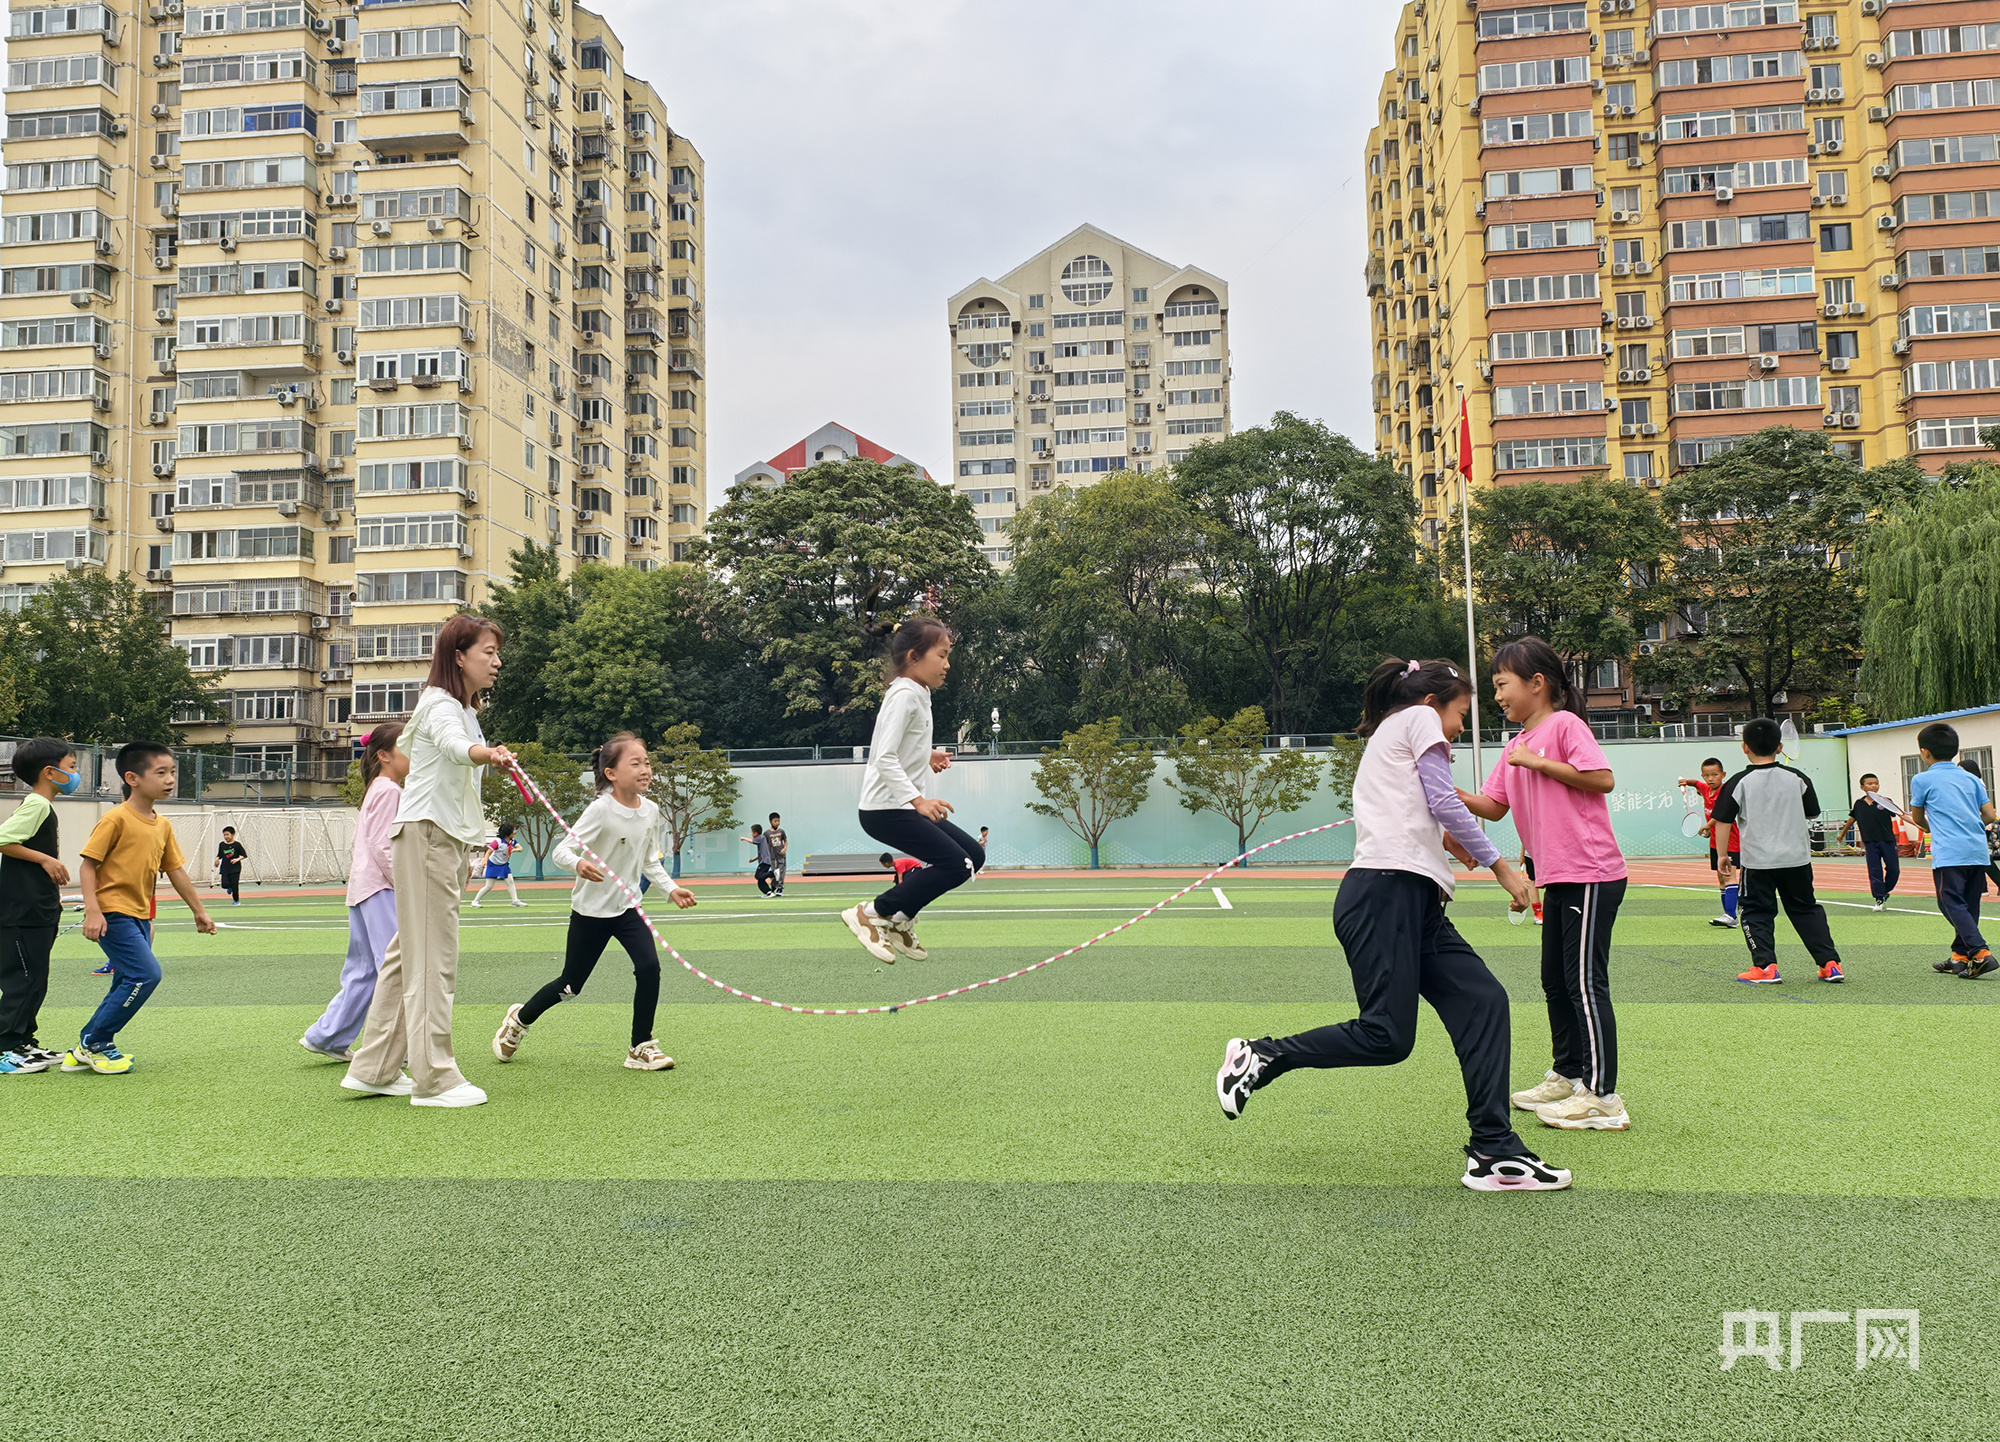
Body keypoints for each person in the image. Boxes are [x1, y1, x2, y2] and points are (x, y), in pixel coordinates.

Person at [1214, 657, 1570, 1192]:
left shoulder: (1394, 730)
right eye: (1461, 714)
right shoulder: (1418, 719)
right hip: (1385, 894)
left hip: (1412, 899)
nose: (1459, 728)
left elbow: (1422, 802)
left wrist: (1447, 840)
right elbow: (1442, 796)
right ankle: (1262, 1055)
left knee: (1483, 1000)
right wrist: (1502, 867)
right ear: (1434, 703)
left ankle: (1494, 1152)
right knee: (1386, 1035)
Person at [342, 615, 514, 1107]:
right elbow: (451, 744)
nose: (497, 661)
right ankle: (434, 1078)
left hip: (441, 840)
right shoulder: (440, 704)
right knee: (431, 961)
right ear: (458, 656)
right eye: (488, 652)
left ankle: (373, 1068)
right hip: (428, 838)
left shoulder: (463, 709)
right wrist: (485, 753)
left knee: (404, 957)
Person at [1460, 637, 1630, 1132]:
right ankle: (1567, 1074)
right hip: (1556, 878)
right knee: (1555, 980)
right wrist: (1441, 792)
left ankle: (1602, 1096)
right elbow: (1493, 806)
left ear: (1537, 683)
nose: (1496, 696)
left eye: (1501, 685)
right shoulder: (1514, 745)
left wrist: (1539, 763)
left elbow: (1601, 778)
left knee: (1583, 982)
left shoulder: (1564, 726)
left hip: (1591, 873)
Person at [492, 732, 695, 1071]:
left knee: (649, 969)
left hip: (628, 908)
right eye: (636, 763)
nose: (645, 769)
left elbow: (649, 860)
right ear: (611, 773)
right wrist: (579, 864)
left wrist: (670, 888)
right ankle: (519, 1020)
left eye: (647, 762)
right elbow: (561, 850)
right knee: (570, 985)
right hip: (591, 912)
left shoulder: (651, 811)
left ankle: (640, 1046)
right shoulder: (600, 810)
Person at [67, 742, 218, 1074]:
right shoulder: (116, 819)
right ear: (132, 778)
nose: (170, 780)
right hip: (112, 912)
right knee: (145, 974)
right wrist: (93, 911)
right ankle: (97, 1042)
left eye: (173, 772)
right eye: (160, 773)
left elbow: (175, 870)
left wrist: (199, 910)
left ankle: (85, 1044)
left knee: (125, 978)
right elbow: (88, 866)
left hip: (139, 914)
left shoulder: (161, 825)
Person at [840, 616, 983, 965]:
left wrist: (926, 753)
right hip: (885, 811)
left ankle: (900, 919)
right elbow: (883, 756)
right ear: (915, 657)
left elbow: (902, 745)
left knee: (972, 858)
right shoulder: (904, 694)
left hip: (898, 808)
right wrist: (918, 800)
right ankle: (871, 912)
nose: (947, 665)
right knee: (956, 863)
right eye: (942, 655)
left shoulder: (918, 692)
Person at [1710, 718, 1845, 985]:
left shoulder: (1738, 782)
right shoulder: (1797, 778)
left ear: (1744, 747)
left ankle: (1765, 967)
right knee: (1806, 909)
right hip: (1797, 859)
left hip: (1758, 863)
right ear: (1780, 746)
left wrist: (1724, 855)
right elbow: (1812, 812)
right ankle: (1830, 964)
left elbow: (1723, 821)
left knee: (1756, 912)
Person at [300, 725, 407, 1062]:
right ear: (384, 754)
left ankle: (327, 1036)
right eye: (407, 748)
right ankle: (396, 1048)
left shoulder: (378, 787)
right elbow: (383, 844)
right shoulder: (389, 790)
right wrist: (405, 882)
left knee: (365, 970)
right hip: (381, 888)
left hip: (365, 887)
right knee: (395, 968)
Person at [0, 739, 81, 1075]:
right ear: (51, 772)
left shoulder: (43, 806)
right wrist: (46, 859)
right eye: (72, 767)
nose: (76, 775)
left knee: (36, 979)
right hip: (22, 913)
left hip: (37, 911)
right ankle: (6, 1048)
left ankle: (23, 1042)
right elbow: (3, 839)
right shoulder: (37, 805)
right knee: (24, 979)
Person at [1908, 723, 1999, 978]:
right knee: (1969, 904)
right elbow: (1990, 814)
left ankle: (1980, 953)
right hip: (1977, 849)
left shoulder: (1922, 779)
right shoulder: (1971, 778)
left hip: (1950, 851)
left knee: (1949, 901)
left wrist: (1932, 827)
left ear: (1925, 752)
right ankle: (1959, 957)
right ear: (1956, 751)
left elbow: (1918, 817)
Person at [1677, 757, 1739, 928]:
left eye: (1715, 775)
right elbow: (1696, 783)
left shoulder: (1725, 792)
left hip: (1730, 841)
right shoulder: (1705, 789)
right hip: (1714, 842)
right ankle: (1729, 912)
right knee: (1720, 879)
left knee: (1729, 876)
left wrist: (1707, 826)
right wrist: (1684, 782)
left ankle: (1731, 915)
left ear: (1723, 774)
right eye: (1707, 775)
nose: (1711, 779)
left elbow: (1720, 815)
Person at [1838, 773, 1903, 911]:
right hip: (1870, 842)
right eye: (1870, 784)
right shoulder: (1859, 804)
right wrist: (1842, 834)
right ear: (1862, 787)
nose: (1874, 786)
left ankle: (1885, 890)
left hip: (1887, 841)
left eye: (1876, 783)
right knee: (1875, 870)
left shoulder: (1885, 801)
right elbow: (1852, 819)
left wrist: (1917, 824)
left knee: (1894, 869)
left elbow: (1900, 814)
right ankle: (1879, 898)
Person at [469, 821, 526, 908]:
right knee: (489, 885)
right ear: (508, 832)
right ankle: (475, 901)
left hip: (504, 865)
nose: (515, 832)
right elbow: (488, 852)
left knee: (510, 882)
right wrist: (485, 861)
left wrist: (514, 850)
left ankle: (515, 901)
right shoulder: (497, 842)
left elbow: (520, 848)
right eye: (513, 830)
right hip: (493, 865)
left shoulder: (512, 841)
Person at [214, 826, 248, 906]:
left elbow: (244, 855)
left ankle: (236, 900)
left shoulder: (237, 845)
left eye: (227, 835)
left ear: (233, 835)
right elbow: (220, 855)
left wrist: (237, 859)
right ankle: (230, 887)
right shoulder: (222, 845)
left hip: (235, 868)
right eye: (224, 835)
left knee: (235, 884)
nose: (226, 837)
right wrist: (217, 859)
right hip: (225, 868)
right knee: (224, 884)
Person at [740, 822, 774, 896]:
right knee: (760, 881)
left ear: (756, 833)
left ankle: (773, 873)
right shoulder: (762, 839)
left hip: (764, 862)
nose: (751, 834)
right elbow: (761, 853)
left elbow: (753, 841)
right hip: (765, 861)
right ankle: (769, 892)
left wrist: (744, 838)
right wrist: (753, 859)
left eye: (752, 832)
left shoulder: (761, 837)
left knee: (757, 876)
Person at [765, 812, 788, 896]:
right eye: (775, 821)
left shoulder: (781, 832)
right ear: (770, 821)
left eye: (778, 821)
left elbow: (785, 842)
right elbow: (764, 846)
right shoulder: (767, 833)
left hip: (781, 856)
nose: (777, 823)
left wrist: (784, 849)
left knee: (781, 872)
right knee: (775, 873)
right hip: (772, 856)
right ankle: (774, 886)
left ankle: (780, 888)